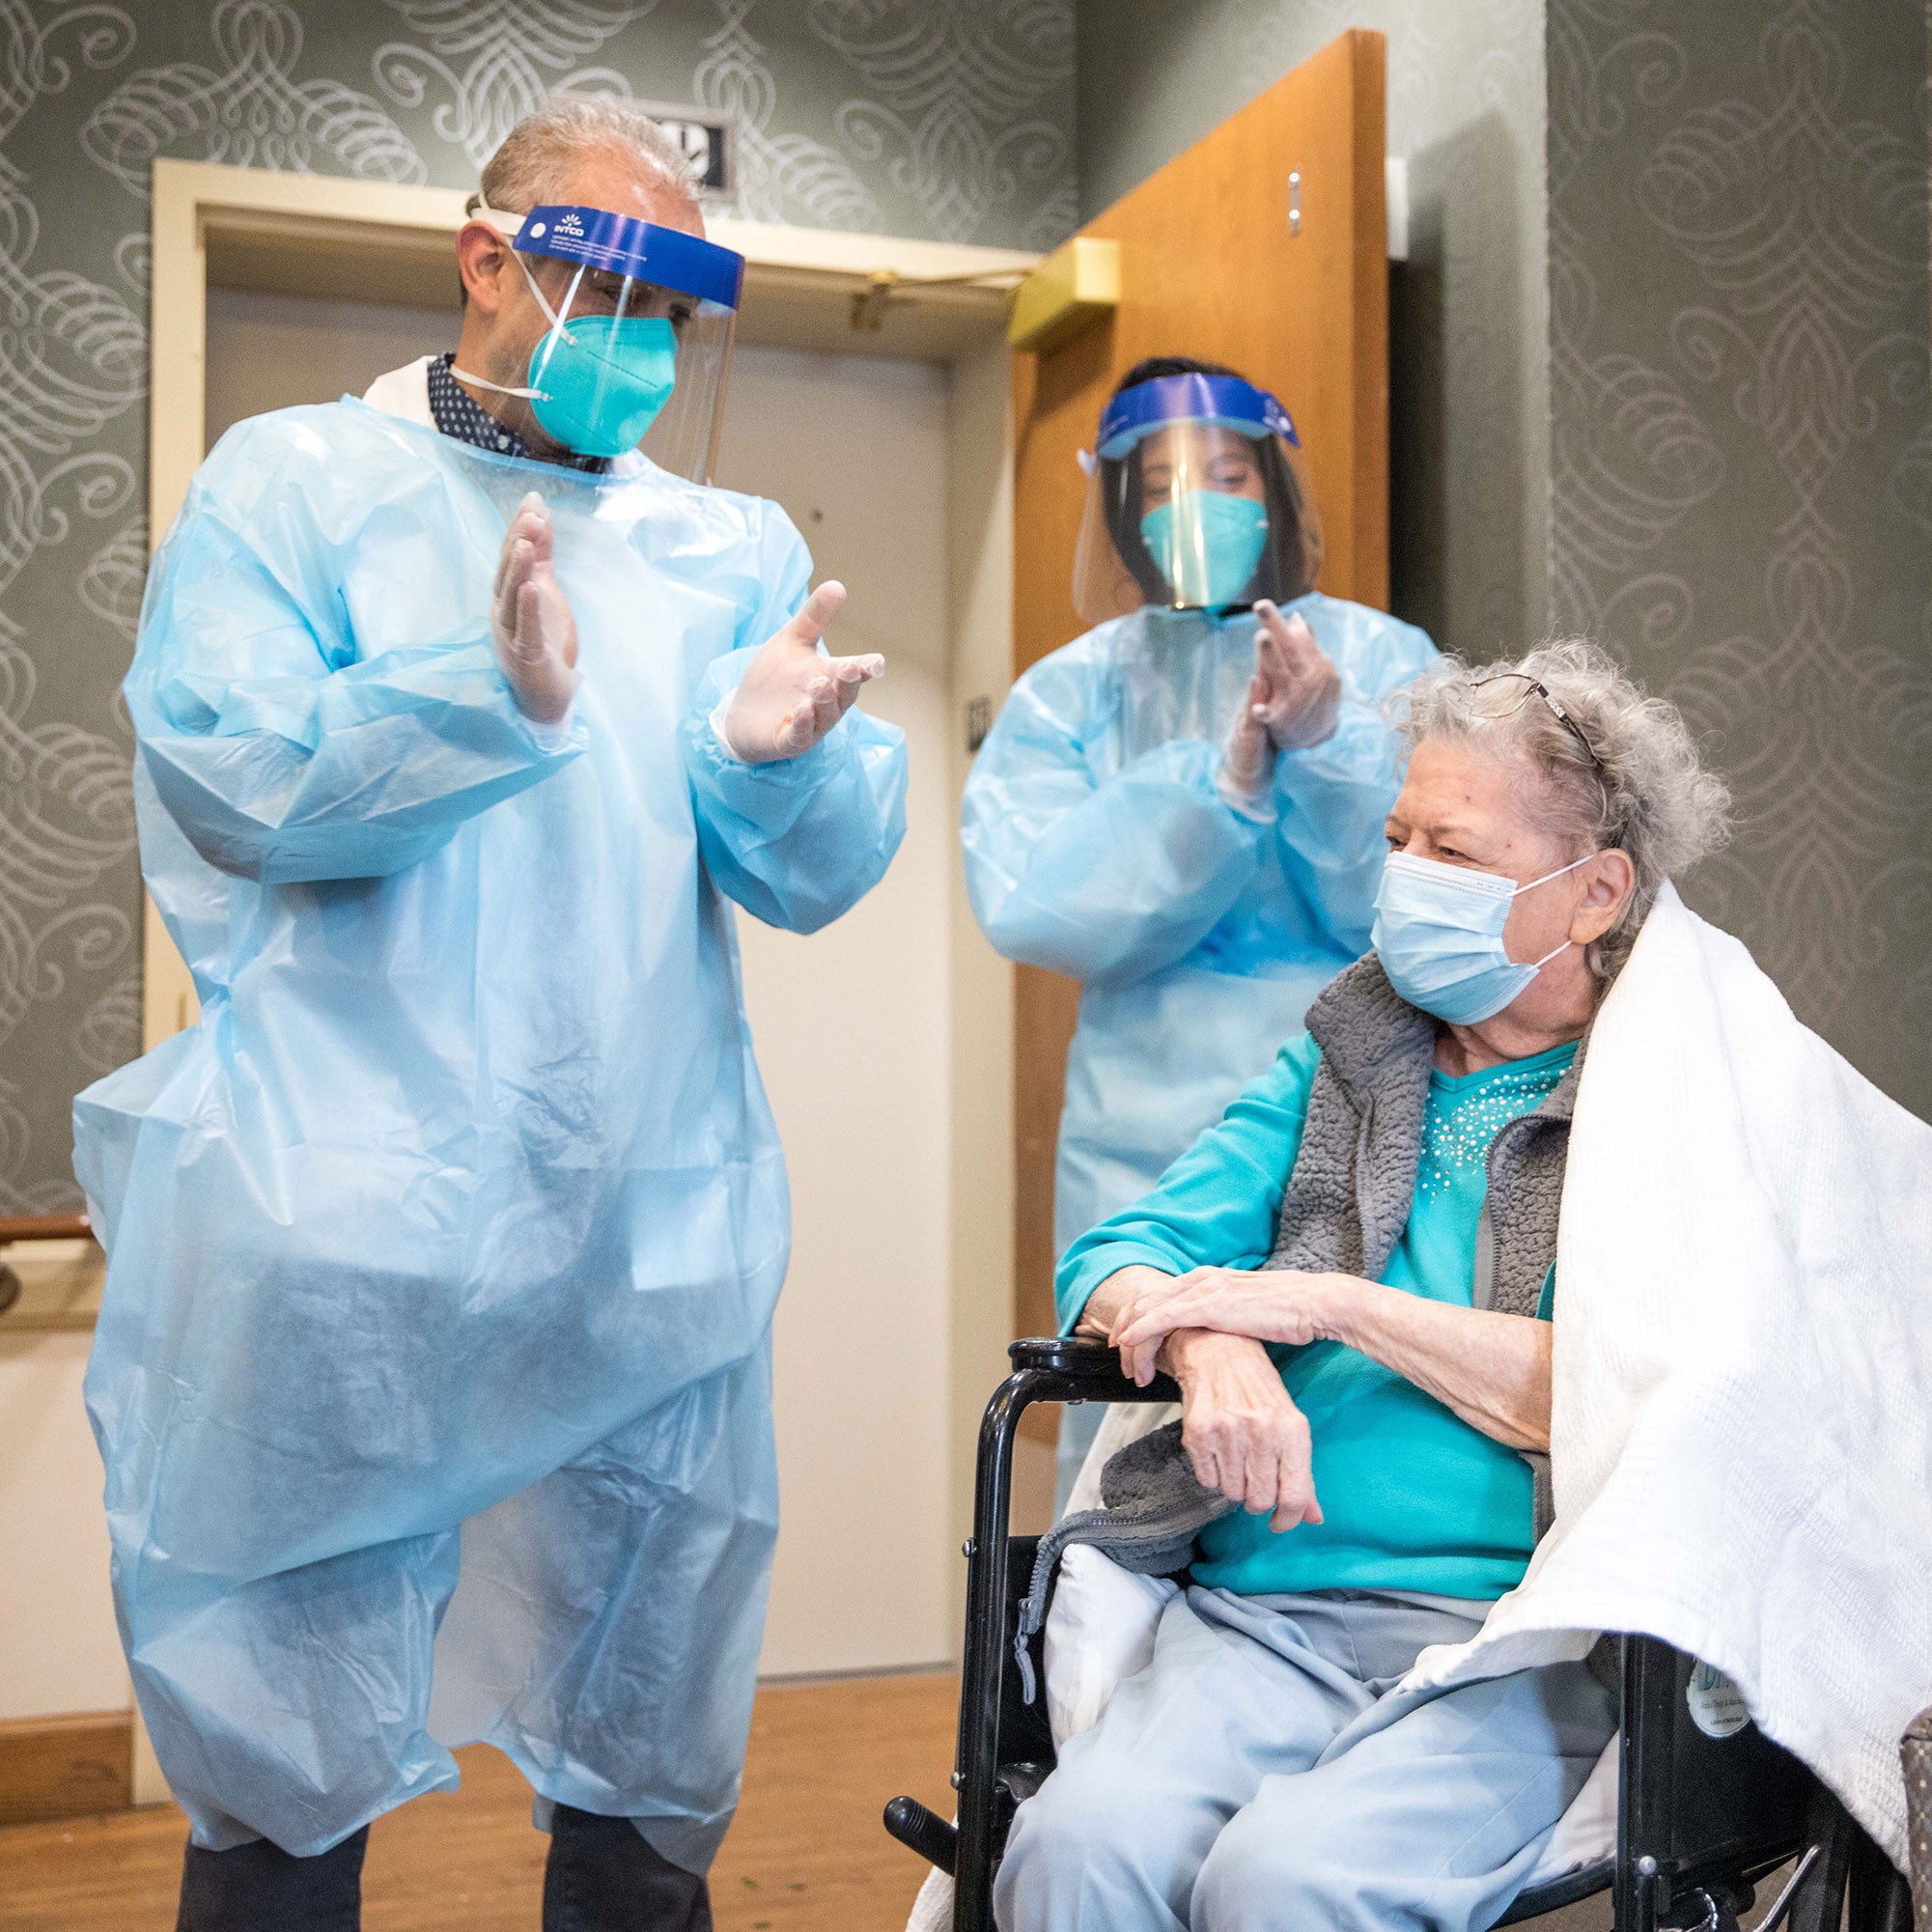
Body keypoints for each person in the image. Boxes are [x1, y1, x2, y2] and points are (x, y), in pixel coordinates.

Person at [72, 99, 907, 1932]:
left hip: (637, 1225)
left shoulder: (731, 549)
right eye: (607, 282)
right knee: (280, 1768)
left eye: (676, 312)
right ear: (483, 255)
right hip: (346, 1215)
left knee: (646, 1751)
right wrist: (480, 697)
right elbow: (233, 782)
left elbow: (814, 869)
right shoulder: (295, 483)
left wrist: (776, 769)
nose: (642, 341)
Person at [994, 640, 1734, 1932]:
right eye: (1397, 840)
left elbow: (1632, 1383)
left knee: (1287, 1888)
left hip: (1513, 1640)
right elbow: (1117, 1254)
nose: (1405, 880)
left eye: (1453, 852)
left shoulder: (1665, 1095)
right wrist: (1213, 1346)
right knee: (1073, 1855)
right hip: (1262, 1611)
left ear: (1594, 893)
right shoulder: (1345, 1058)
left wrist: (1332, 1305)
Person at [962, 357, 1438, 1503]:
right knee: (1136, 1417)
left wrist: (1331, 752)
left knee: (1358, 1415)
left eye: (1228, 476)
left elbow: (1416, 893)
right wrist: (1213, 793)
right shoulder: (1071, 693)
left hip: (1352, 1102)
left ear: (1275, 488)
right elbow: (1036, 903)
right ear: (1120, 510)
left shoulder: (1381, 664)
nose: (1200, 509)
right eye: (1164, 485)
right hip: (1147, 1133)